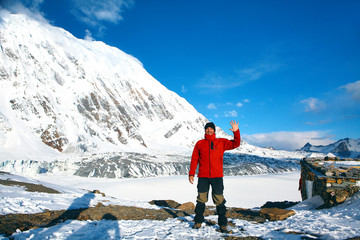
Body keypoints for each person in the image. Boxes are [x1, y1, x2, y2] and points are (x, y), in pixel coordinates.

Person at [189, 120, 240, 233]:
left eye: (211, 128)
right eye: (207, 128)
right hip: (203, 176)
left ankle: (222, 225)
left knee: (219, 200)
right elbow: (194, 159)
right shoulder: (199, 143)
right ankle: (198, 222)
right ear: (205, 130)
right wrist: (191, 173)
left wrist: (236, 132)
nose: (209, 130)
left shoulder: (221, 142)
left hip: (217, 176)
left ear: (214, 130)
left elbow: (235, 144)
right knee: (201, 200)